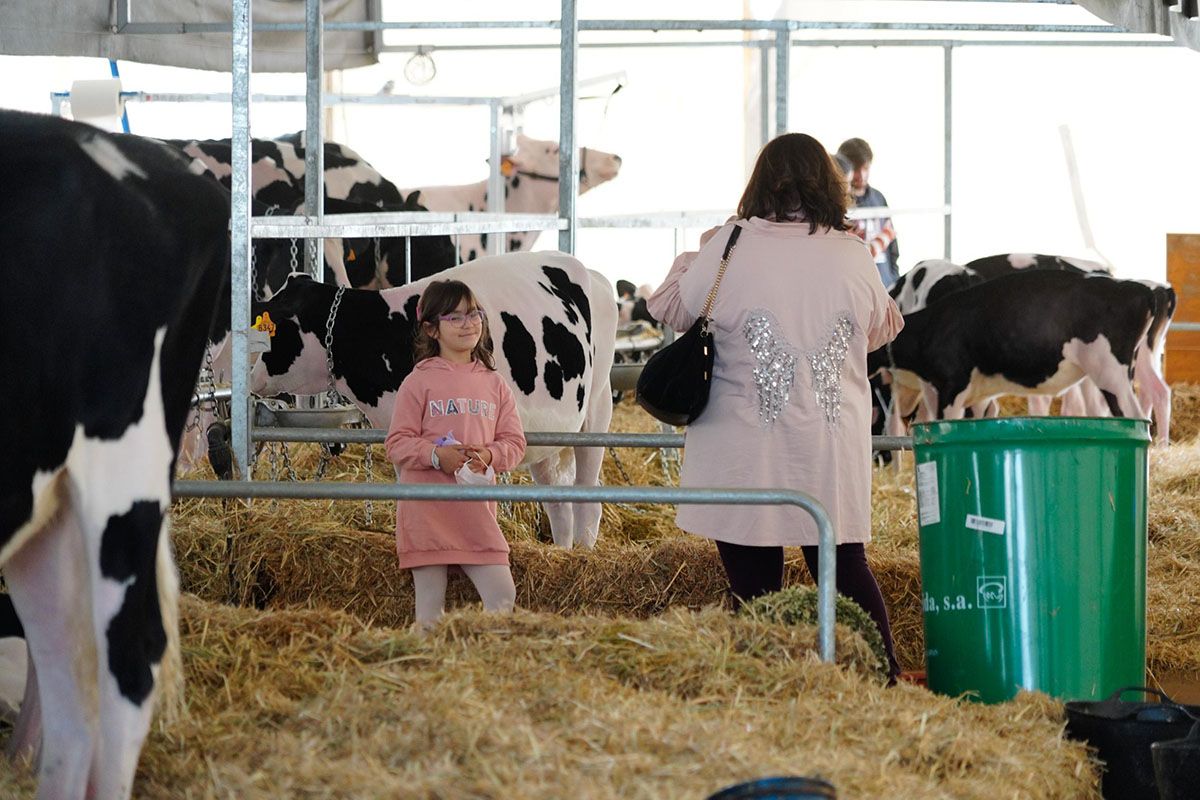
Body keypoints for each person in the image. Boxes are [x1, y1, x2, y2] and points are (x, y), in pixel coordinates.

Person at [647, 132, 905, 680]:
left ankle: (765, 687)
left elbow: (668, 306)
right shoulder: (851, 251)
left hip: (743, 442)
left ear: (760, 181)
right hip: (828, 441)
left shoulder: (732, 243)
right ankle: (884, 679)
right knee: (844, 569)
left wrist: (704, 246)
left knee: (754, 580)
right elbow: (884, 328)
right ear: (829, 185)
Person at [385, 279, 526, 629]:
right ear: (431, 328)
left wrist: (490, 456)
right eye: (455, 317)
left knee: (502, 595)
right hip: (427, 510)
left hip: (476, 511)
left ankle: (484, 670)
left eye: (474, 314)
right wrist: (436, 456)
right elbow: (396, 442)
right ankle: (430, 675)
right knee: (429, 614)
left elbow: (514, 442)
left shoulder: (495, 384)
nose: (469, 323)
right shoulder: (418, 382)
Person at [837, 137, 901, 287]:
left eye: (865, 168)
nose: (861, 175)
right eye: (856, 169)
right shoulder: (838, 203)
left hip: (885, 285)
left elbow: (893, 248)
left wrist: (893, 278)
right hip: (856, 288)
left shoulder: (878, 198)